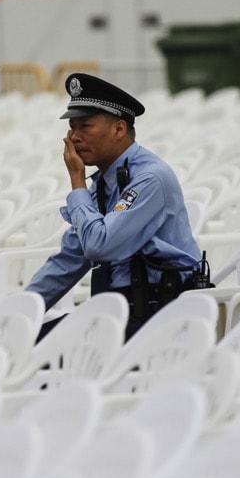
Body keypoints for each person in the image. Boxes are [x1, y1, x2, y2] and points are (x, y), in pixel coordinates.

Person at [26, 72, 204, 340]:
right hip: (120, 310)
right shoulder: (104, 181)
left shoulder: (149, 177)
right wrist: (16, 313)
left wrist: (76, 181)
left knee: (40, 347)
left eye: (85, 126)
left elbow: (100, 246)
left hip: (159, 314)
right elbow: (70, 259)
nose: (74, 137)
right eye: (72, 127)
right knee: (21, 340)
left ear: (118, 129)